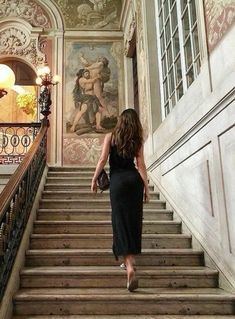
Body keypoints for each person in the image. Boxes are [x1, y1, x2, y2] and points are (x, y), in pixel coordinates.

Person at [91, 108, 150, 292]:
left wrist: (94, 179)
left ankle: (129, 265)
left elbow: (102, 160)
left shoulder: (110, 137)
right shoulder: (137, 140)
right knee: (133, 223)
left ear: (120, 121)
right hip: (134, 182)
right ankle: (129, 262)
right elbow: (141, 165)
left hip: (117, 182)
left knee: (120, 223)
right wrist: (146, 188)